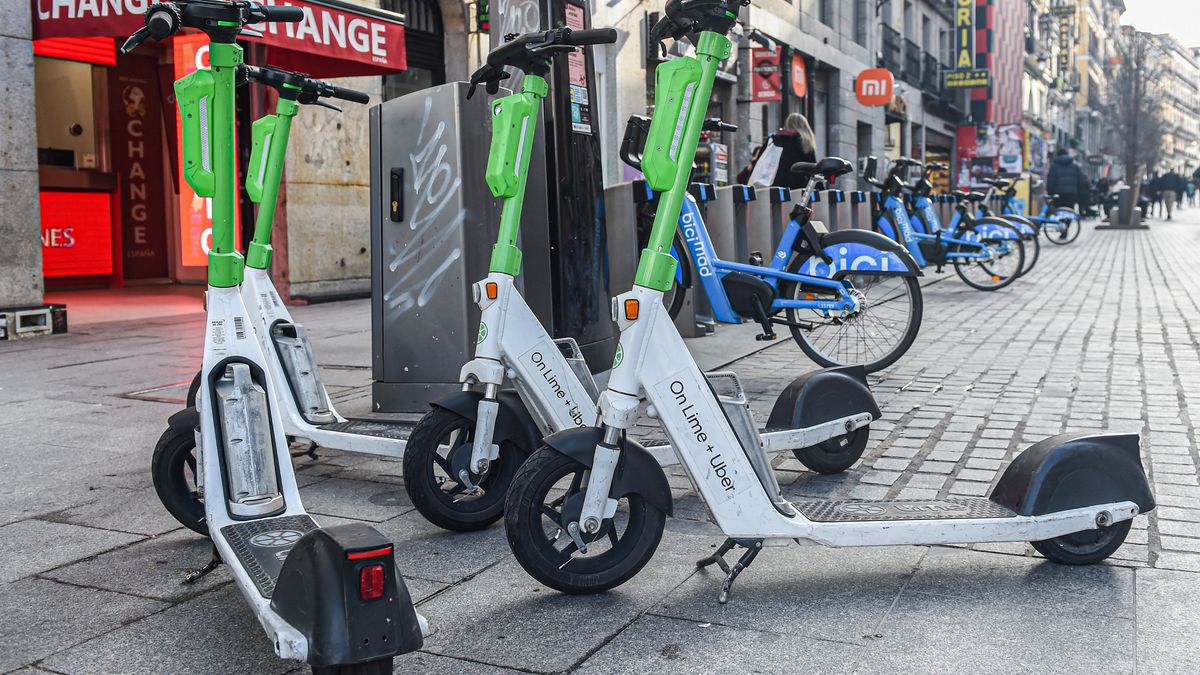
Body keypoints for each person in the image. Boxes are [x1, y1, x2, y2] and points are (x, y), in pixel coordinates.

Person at [769, 113, 818, 189]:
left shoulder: (774, 139)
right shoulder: (805, 142)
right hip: (799, 185)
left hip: (775, 183)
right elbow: (813, 168)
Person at [1046, 148, 1088, 213]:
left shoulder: (1054, 167)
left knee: (1058, 211)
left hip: (1058, 194)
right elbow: (1080, 182)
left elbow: (1051, 181)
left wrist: (1050, 194)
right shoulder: (1075, 166)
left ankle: (1061, 222)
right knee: (1069, 212)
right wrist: (1079, 194)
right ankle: (1067, 223)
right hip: (1071, 194)